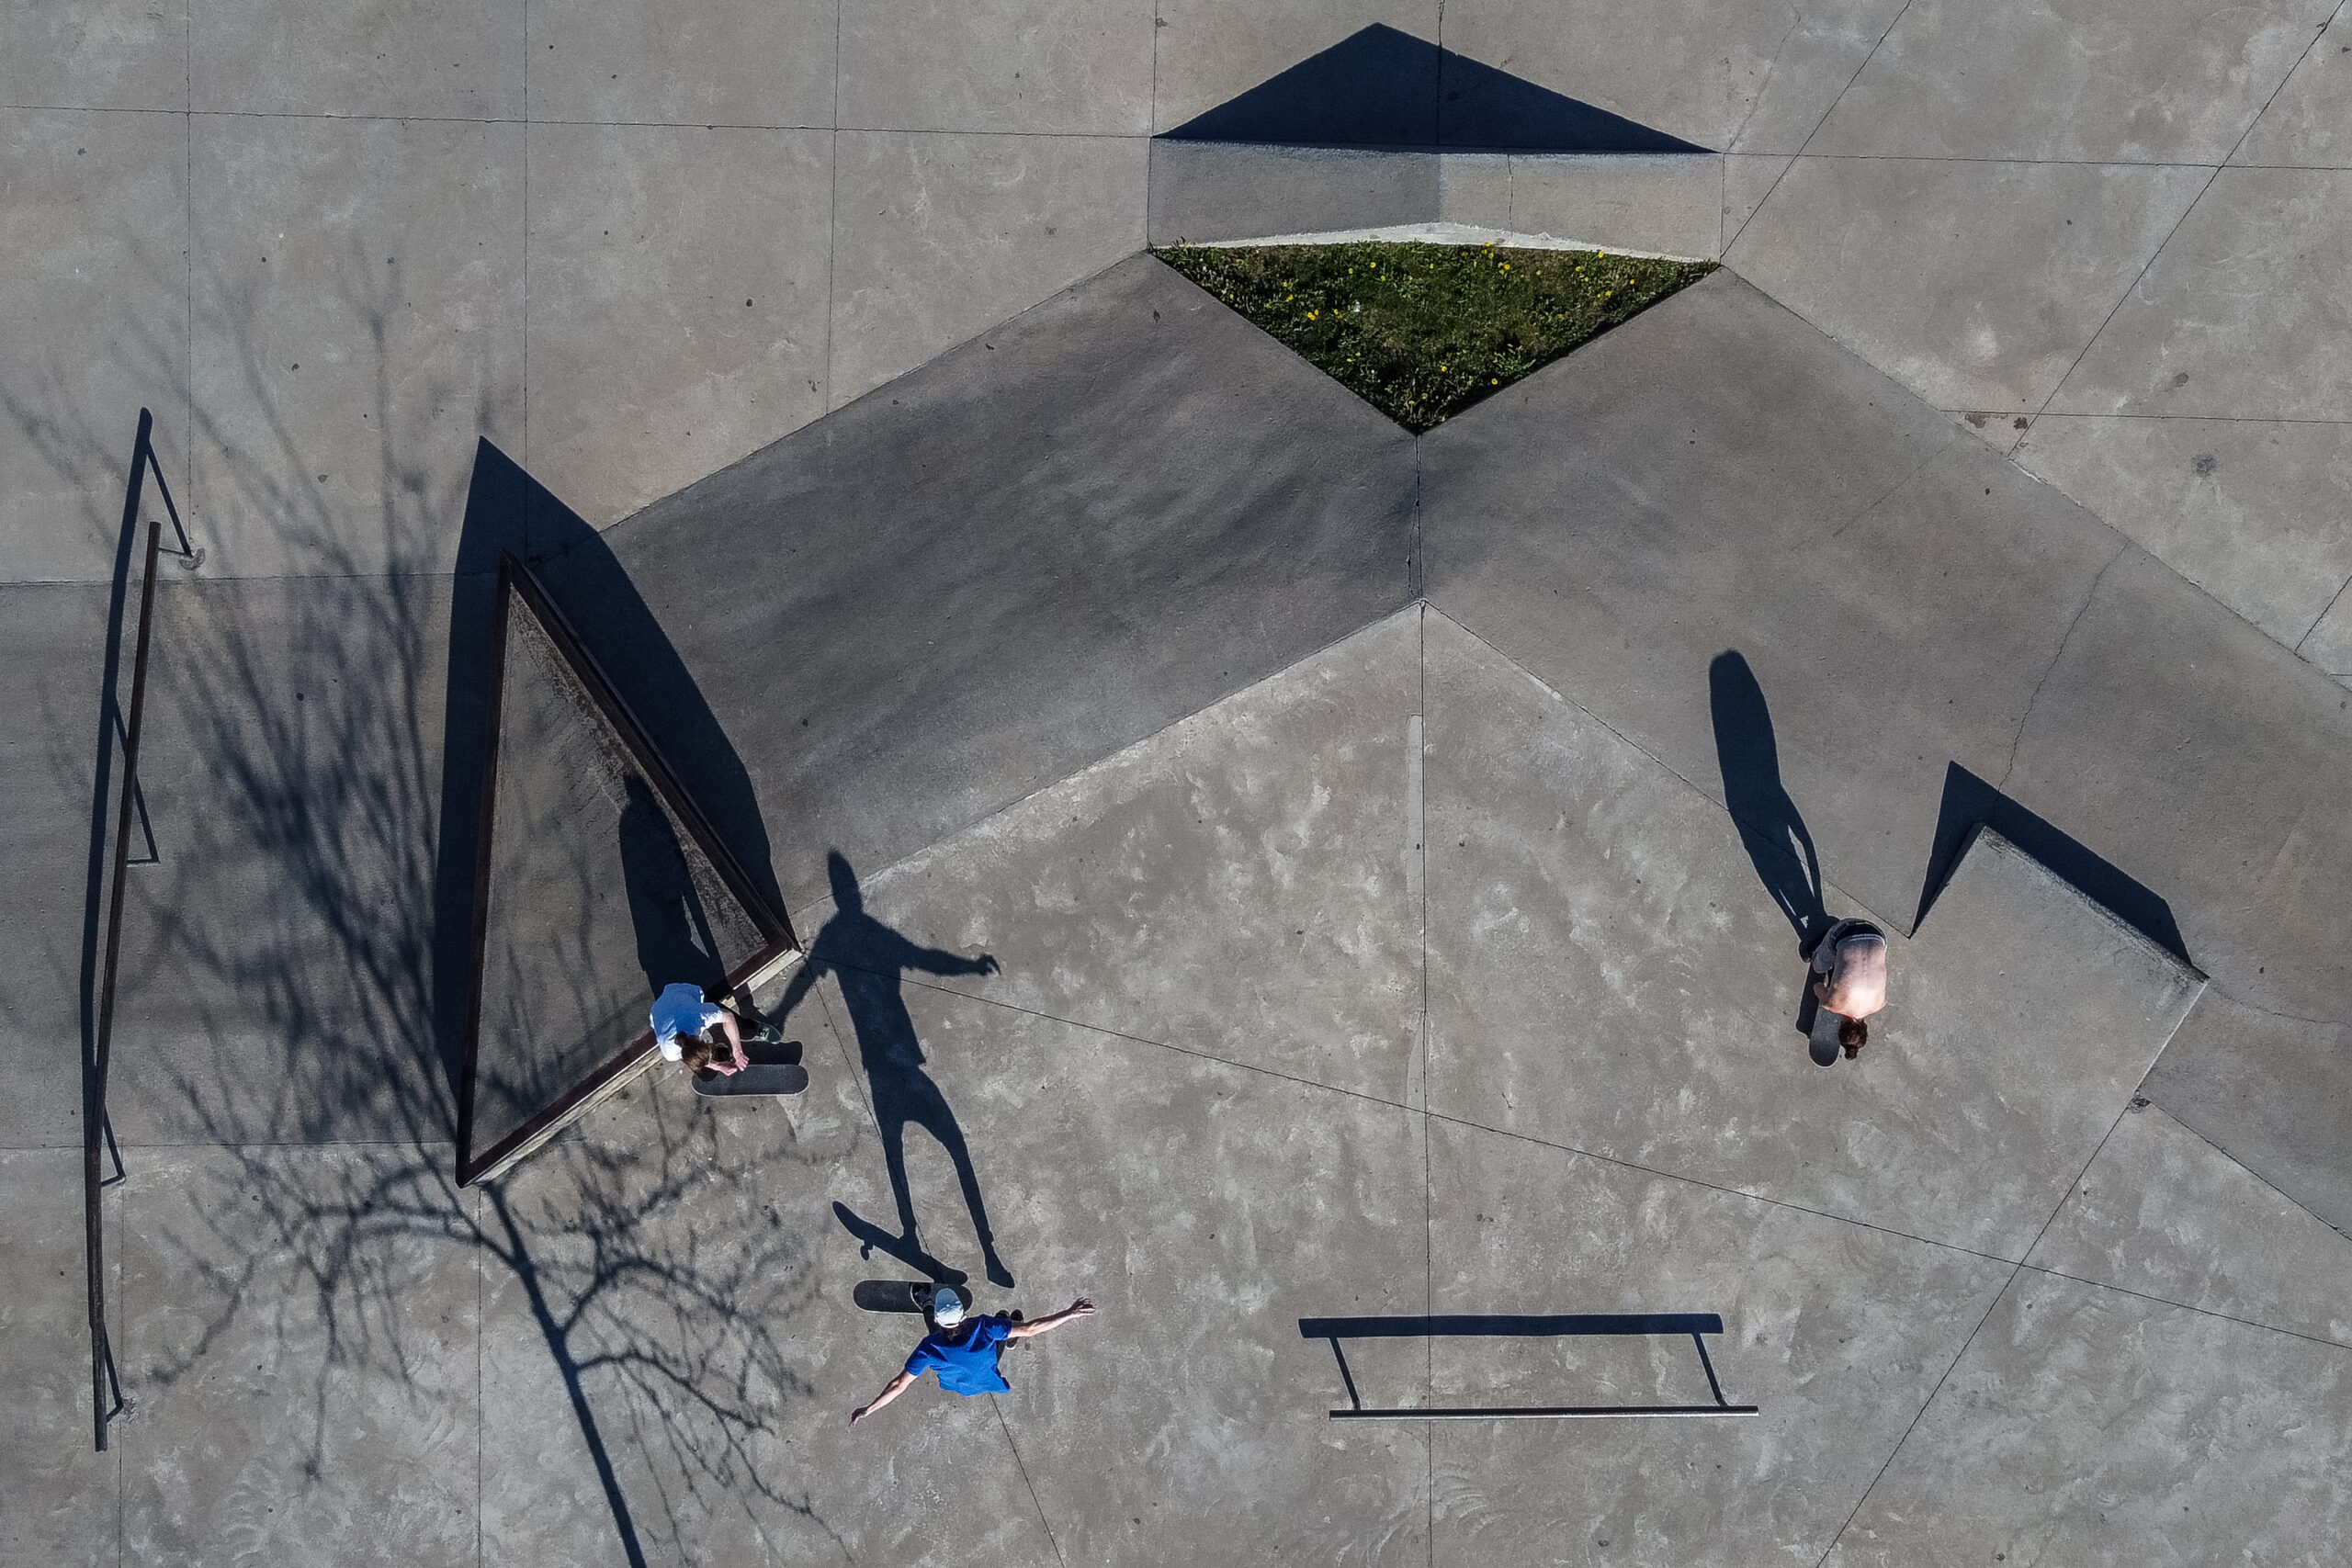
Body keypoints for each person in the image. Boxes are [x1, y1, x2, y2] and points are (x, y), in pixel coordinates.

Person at [849, 1288, 1095, 1425]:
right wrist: (1070, 1313)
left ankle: (926, 1302)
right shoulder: (984, 1326)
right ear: (964, 1314)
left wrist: (869, 1409)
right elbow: (1032, 1329)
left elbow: (898, 1385)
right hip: (987, 1378)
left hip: (961, 1386)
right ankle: (1009, 1336)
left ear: (939, 1321)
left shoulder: (929, 1347)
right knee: (1001, 1335)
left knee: (990, 1338)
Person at [649, 980, 776, 1077]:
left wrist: (738, 1051)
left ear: (704, 1041)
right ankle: (721, 1052)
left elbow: (729, 1018)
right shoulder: (670, 1052)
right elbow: (691, 1058)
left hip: (682, 993)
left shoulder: (700, 1016)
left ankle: (755, 1028)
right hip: (660, 1009)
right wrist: (718, 1066)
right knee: (706, 1074)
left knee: (745, 1032)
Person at [1809, 918, 1887, 1058]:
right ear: (1840, 1026)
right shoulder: (1832, 1004)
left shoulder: (1879, 1004)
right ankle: (1820, 946)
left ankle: (1840, 957)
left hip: (1878, 936)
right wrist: (1827, 996)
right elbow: (1817, 986)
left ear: (1865, 1027)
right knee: (1818, 967)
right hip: (1846, 930)